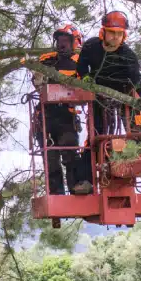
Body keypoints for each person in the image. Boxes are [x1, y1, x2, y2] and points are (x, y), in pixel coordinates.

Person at [76, 11, 141, 194]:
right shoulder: (91, 47)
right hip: (99, 96)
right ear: (103, 32)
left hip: (126, 96)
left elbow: (136, 78)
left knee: (138, 136)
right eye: (112, 33)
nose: (115, 37)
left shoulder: (128, 55)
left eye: (119, 34)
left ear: (124, 35)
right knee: (96, 136)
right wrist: (85, 78)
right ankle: (86, 180)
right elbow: (82, 65)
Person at [32, 24, 91, 195]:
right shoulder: (46, 59)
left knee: (71, 152)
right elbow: (37, 80)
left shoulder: (81, 63)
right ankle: (56, 193)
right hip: (46, 114)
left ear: (76, 42)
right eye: (59, 40)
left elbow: (85, 90)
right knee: (50, 157)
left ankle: (76, 187)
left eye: (66, 40)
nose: (62, 44)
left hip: (67, 115)